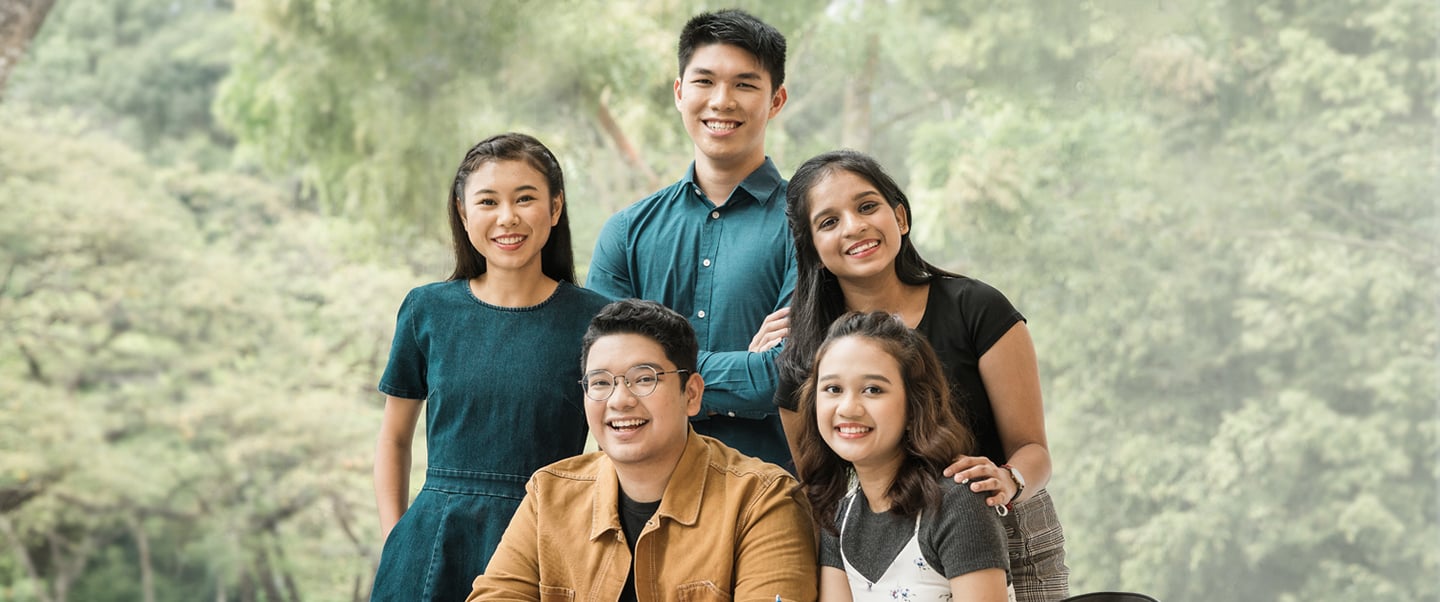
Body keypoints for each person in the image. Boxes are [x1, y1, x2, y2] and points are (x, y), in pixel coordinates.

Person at [775, 150, 1070, 601]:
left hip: (1006, 530)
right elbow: (821, 484)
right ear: (811, 248)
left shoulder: (976, 308)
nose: (854, 226)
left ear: (901, 217)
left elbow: (1033, 450)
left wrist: (1009, 479)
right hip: (891, 554)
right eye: (829, 221)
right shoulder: (803, 352)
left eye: (867, 206)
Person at [370, 133, 611, 601]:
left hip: (546, 539)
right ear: (463, 213)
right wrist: (396, 539)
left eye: (526, 199)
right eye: (488, 201)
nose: (508, 218)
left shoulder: (597, 320)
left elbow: (611, 450)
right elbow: (394, 438)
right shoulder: (427, 310)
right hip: (429, 545)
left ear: (555, 208)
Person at [469, 299, 817, 602]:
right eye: (601, 383)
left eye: (644, 378)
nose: (620, 400)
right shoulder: (549, 494)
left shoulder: (763, 500)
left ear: (692, 394)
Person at [587, 8, 796, 467]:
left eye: (744, 84)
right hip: (645, 495)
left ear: (776, 100)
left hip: (772, 492)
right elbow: (602, 377)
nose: (722, 101)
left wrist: (652, 374)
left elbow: (784, 376)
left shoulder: (808, 225)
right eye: (704, 81)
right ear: (680, 93)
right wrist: (741, 368)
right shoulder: (626, 232)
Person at [797, 311, 1013, 602]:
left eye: (873, 389)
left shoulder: (958, 503)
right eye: (833, 389)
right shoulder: (838, 517)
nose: (848, 407)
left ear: (915, 407)